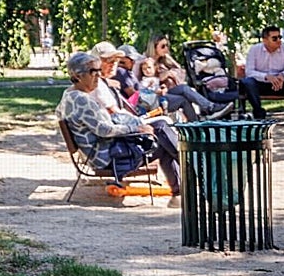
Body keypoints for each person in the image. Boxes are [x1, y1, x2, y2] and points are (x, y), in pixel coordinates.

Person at [57, 52, 180, 197]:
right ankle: (191, 169)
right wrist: (136, 128)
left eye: (98, 70)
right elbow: (105, 130)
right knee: (161, 132)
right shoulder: (82, 100)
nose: (98, 75)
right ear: (77, 76)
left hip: (104, 150)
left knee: (161, 133)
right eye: (93, 71)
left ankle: (182, 185)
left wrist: (134, 124)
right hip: (108, 157)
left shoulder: (70, 94)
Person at [140, 35, 234, 120]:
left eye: (167, 45)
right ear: (154, 47)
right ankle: (199, 121)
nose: (166, 49)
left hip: (167, 90)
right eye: (163, 46)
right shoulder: (145, 61)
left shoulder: (164, 61)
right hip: (153, 95)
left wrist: (171, 64)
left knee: (184, 89)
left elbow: (181, 73)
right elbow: (140, 83)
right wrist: (162, 77)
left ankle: (210, 108)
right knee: (183, 99)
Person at [241, 24, 284, 125]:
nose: (279, 40)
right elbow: (249, 72)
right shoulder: (254, 50)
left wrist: (282, 76)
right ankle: (259, 113)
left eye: (279, 37)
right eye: (274, 38)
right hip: (261, 84)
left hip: (280, 84)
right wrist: (267, 77)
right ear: (265, 40)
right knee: (248, 82)